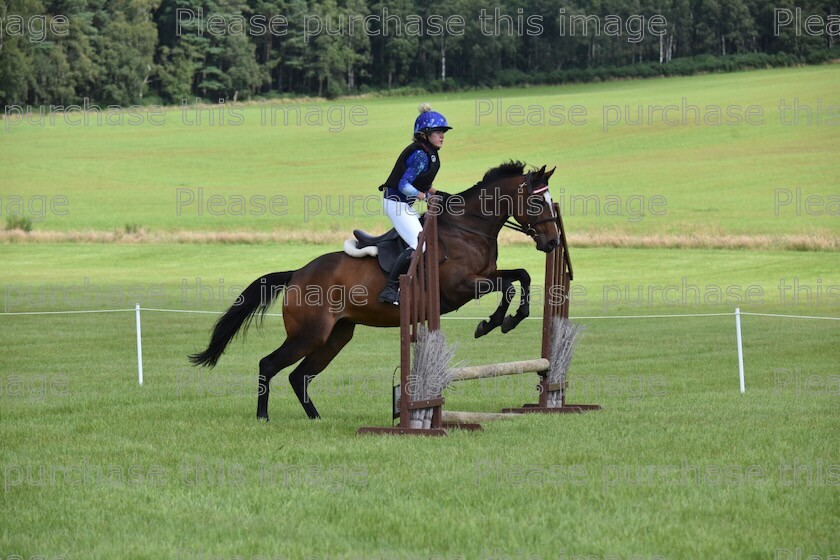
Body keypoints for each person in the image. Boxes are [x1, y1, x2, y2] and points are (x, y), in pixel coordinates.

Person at [378, 103, 451, 305]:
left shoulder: (430, 153)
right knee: (421, 245)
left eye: (443, 132)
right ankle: (390, 289)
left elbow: (425, 185)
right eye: (438, 132)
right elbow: (404, 185)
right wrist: (425, 197)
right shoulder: (420, 154)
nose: (442, 136)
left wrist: (445, 195)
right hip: (396, 203)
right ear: (425, 134)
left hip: (403, 204)